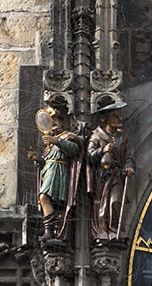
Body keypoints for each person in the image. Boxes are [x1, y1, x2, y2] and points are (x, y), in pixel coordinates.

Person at [35, 99, 83, 241]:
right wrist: (37, 159)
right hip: (49, 172)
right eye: (51, 121)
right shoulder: (49, 143)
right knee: (44, 198)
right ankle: (50, 231)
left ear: (60, 121)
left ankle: (51, 231)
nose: (53, 123)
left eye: (55, 120)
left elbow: (75, 150)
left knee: (44, 197)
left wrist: (57, 141)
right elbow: (45, 162)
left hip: (60, 173)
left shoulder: (67, 136)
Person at [87, 99, 134, 243]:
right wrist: (102, 150)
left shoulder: (123, 137)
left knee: (115, 201)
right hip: (103, 176)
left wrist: (129, 166)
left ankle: (116, 231)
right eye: (115, 116)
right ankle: (103, 232)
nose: (119, 119)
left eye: (119, 116)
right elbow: (89, 157)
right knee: (102, 203)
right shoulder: (97, 135)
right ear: (105, 119)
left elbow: (128, 156)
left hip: (118, 176)